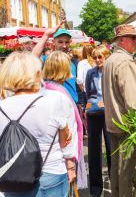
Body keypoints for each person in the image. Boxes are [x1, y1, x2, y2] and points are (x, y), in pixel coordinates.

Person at [0, 52, 75, 197]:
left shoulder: (2, 106)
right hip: (51, 172)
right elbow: (66, 141)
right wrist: (70, 165)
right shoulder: (55, 100)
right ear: (36, 73)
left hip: (13, 178)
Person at [102, 24, 136, 197]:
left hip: (114, 124)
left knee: (116, 170)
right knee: (127, 173)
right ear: (122, 40)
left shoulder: (111, 60)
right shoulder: (125, 62)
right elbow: (134, 102)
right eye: (133, 38)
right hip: (128, 128)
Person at [42, 51, 88, 190]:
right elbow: (67, 131)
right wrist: (70, 164)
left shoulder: (42, 89)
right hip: (59, 159)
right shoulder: (60, 94)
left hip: (45, 158)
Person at [85, 46, 112, 197]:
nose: (97, 60)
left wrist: (106, 104)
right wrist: (93, 104)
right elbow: (88, 92)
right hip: (94, 113)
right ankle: (95, 190)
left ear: (107, 56)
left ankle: (114, 183)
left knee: (111, 149)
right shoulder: (90, 72)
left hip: (109, 113)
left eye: (100, 57)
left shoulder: (111, 72)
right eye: (95, 57)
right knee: (94, 151)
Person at [32, 22, 78, 104]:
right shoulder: (48, 60)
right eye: (60, 42)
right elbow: (32, 58)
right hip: (55, 105)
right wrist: (46, 35)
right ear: (53, 42)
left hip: (73, 105)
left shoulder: (73, 62)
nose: (64, 46)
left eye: (67, 42)